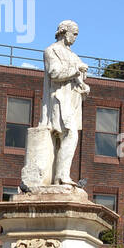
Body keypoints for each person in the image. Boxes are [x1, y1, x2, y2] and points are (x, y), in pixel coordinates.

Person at [39, 19, 91, 186]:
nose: (75, 37)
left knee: (68, 135)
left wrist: (84, 85)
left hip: (73, 100)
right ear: (63, 31)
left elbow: (77, 79)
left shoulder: (73, 55)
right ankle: (61, 176)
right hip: (59, 98)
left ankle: (60, 176)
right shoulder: (52, 51)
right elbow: (55, 73)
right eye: (74, 33)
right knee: (69, 134)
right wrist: (77, 69)